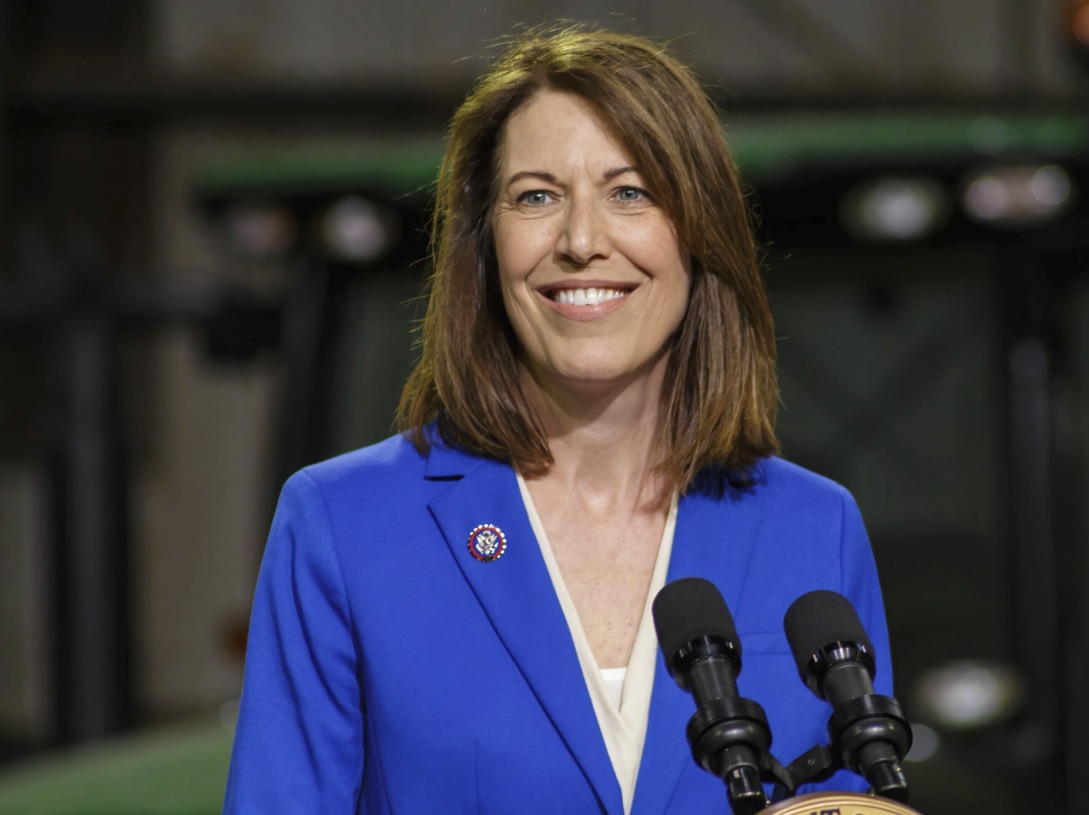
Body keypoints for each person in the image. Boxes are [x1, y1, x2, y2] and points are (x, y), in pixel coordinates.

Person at [223, 24, 892, 815]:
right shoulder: (342, 524)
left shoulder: (815, 527)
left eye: (631, 192)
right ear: (486, 242)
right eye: (536, 196)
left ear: (700, 236)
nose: (580, 241)